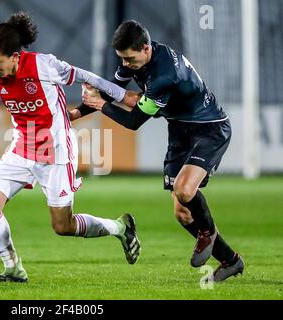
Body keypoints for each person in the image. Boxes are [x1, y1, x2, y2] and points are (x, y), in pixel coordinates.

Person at [0, 12, 140, 283]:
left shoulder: (44, 66)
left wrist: (123, 96)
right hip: (21, 146)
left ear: (15, 56)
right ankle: (13, 269)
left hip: (56, 151)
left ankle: (119, 227)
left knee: (63, 226)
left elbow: (87, 76)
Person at [74, 20, 244, 282]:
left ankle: (207, 233)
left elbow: (134, 122)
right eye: (122, 59)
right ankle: (230, 261)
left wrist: (99, 106)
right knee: (182, 212)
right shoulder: (138, 59)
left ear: (145, 48)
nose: (126, 64)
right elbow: (110, 90)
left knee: (185, 190)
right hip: (180, 130)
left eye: (130, 59)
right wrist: (75, 113)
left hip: (208, 129)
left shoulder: (164, 75)